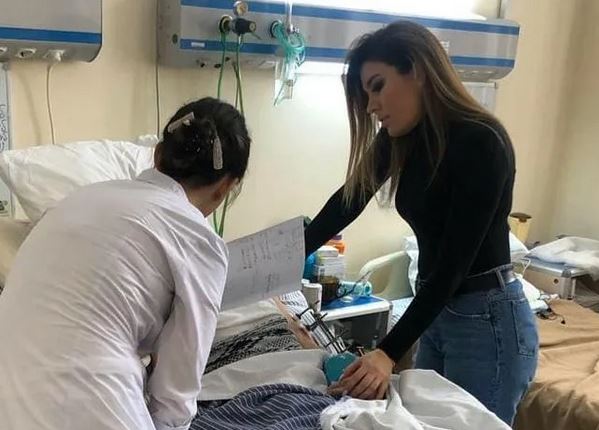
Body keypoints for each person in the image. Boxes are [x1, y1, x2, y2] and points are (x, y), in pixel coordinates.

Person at [304, 21, 538, 425]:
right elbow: (346, 202)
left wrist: (387, 352)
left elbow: (453, 266)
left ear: (417, 70)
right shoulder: (402, 139)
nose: (371, 106)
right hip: (438, 314)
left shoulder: (482, 142)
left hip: (487, 324)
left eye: (378, 86)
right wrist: (280, 258)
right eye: (366, 95)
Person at [0, 97, 251, 430]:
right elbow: (175, 393)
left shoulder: (79, 199)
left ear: (158, 155)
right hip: (90, 404)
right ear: (225, 187)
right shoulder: (198, 237)